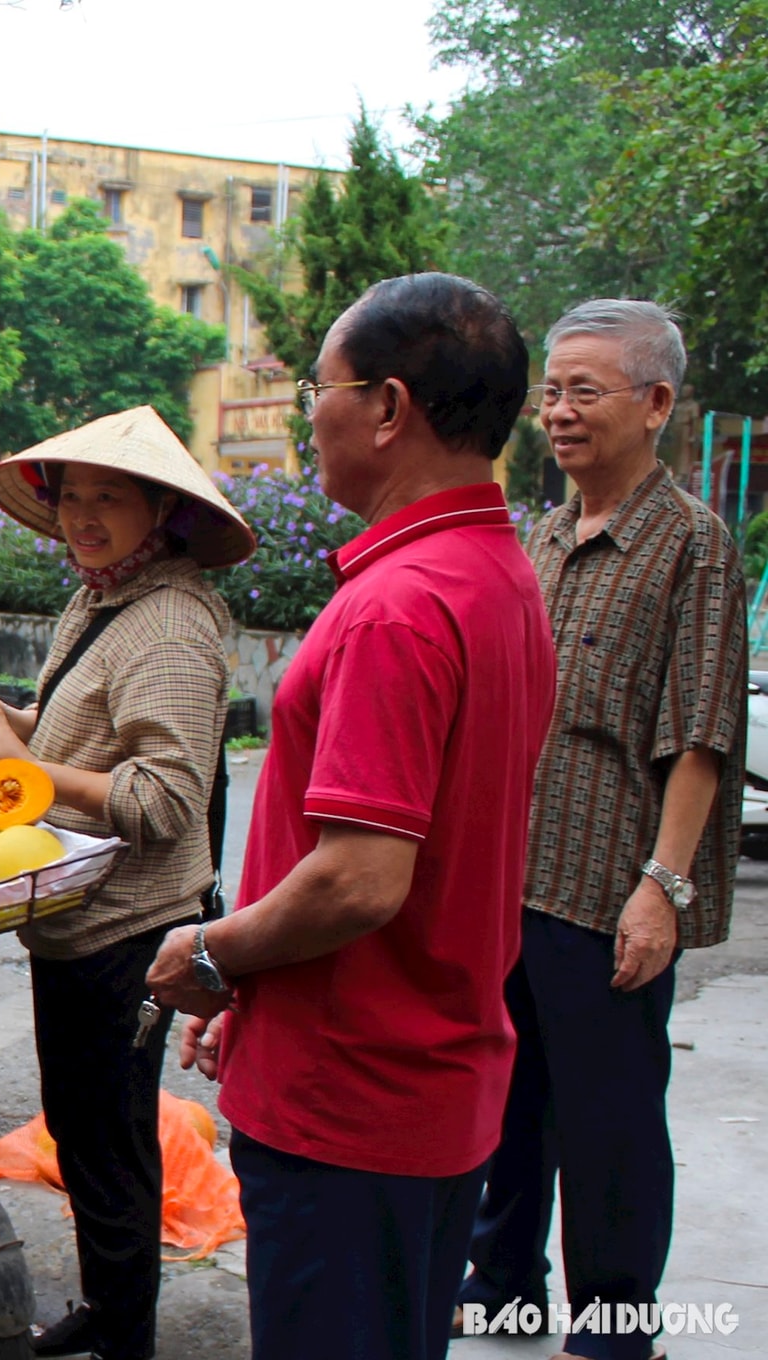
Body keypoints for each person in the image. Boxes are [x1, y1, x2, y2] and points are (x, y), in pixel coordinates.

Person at [146, 272, 558, 1360]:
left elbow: (362, 880)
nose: (307, 418)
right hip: (429, 1083)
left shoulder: (397, 605)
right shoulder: (498, 576)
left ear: (387, 406)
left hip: (353, 1102)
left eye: (316, 390)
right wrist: (264, 992)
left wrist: (211, 949)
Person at [0, 407, 256, 1360]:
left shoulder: (169, 623)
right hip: (76, 919)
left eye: (109, 497)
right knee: (81, 1133)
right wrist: (11, 720)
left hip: (134, 930)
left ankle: (128, 1340)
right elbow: (85, 731)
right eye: (71, 496)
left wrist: (20, 772)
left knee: (113, 1150)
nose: (84, 516)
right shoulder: (102, 598)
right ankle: (109, 1309)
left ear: (160, 508)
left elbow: (162, 797)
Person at [454, 301, 745, 1359]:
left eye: (586, 391)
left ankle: (617, 1325)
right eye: (552, 392)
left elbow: (701, 730)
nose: (559, 414)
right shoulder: (541, 530)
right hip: (513, 869)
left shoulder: (694, 546)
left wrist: (661, 885)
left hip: (608, 880)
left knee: (611, 1118)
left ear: (656, 403)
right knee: (512, 1094)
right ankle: (505, 1283)